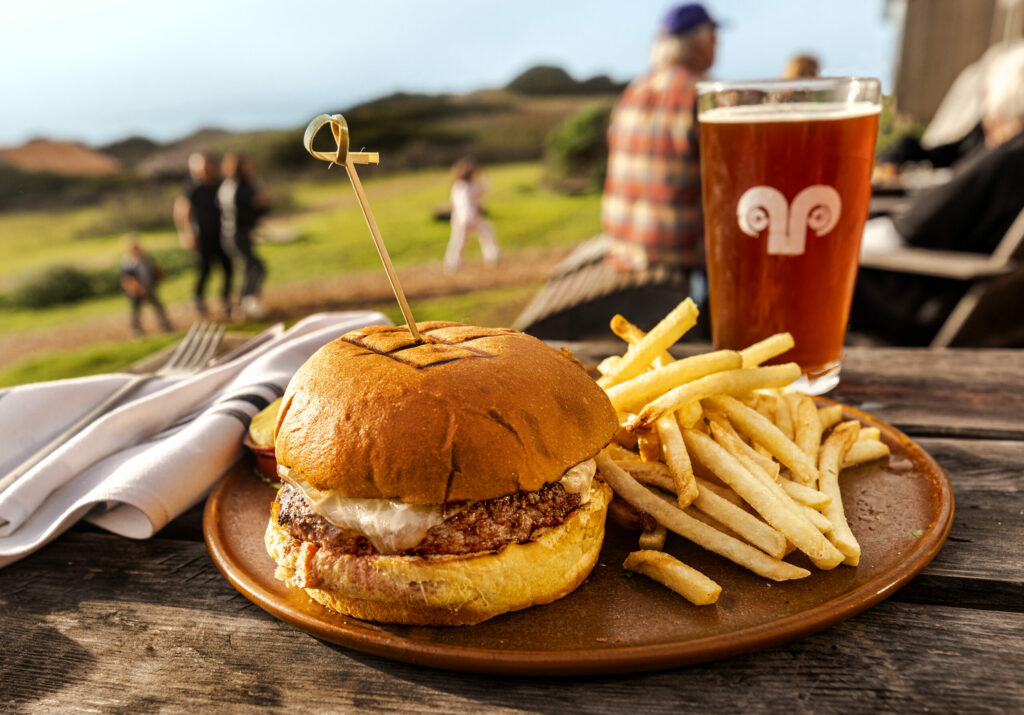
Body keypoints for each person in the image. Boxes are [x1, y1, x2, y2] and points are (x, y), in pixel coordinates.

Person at [852, 43, 1024, 344]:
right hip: (980, 301)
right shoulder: (1006, 156)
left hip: (931, 301)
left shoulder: (1010, 159)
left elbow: (914, 226)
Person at [174, 153, 233, 319]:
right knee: (205, 270)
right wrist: (186, 233)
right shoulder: (192, 188)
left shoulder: (221, 184)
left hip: (223, 234)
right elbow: (182, 211)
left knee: (228, 268)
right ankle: (198, 299)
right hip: (203, 236)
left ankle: (226, 299)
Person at [218, 154, 268, 319]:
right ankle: (247, 302)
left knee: (250, 268)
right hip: (237, 234)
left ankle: (244, 304)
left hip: (233, 234)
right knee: (256, 267)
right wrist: (259, 207)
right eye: (247, 165)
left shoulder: (227, 185)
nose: (250, 168)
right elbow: (240, 212)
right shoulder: (240, 187)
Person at [443, 156, 500, 272]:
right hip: (471, 217)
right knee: (486, 234)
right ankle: (493, 256)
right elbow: (485, 188)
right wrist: (483, 176)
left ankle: (452, 264)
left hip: (460, 219)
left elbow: (454, 203)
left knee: (458, 241)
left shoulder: (457, 186)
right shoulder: (471, 186)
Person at [119, 235, 172, 336]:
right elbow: (128, 279)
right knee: (136, 310)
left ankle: (165, 324)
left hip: (149, 287)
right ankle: (136, 329)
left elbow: (154, 271)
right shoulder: (128, 262)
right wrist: (139, 289)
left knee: (158, 306)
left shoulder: (146, 258)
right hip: (136, 291)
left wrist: (158, 276)